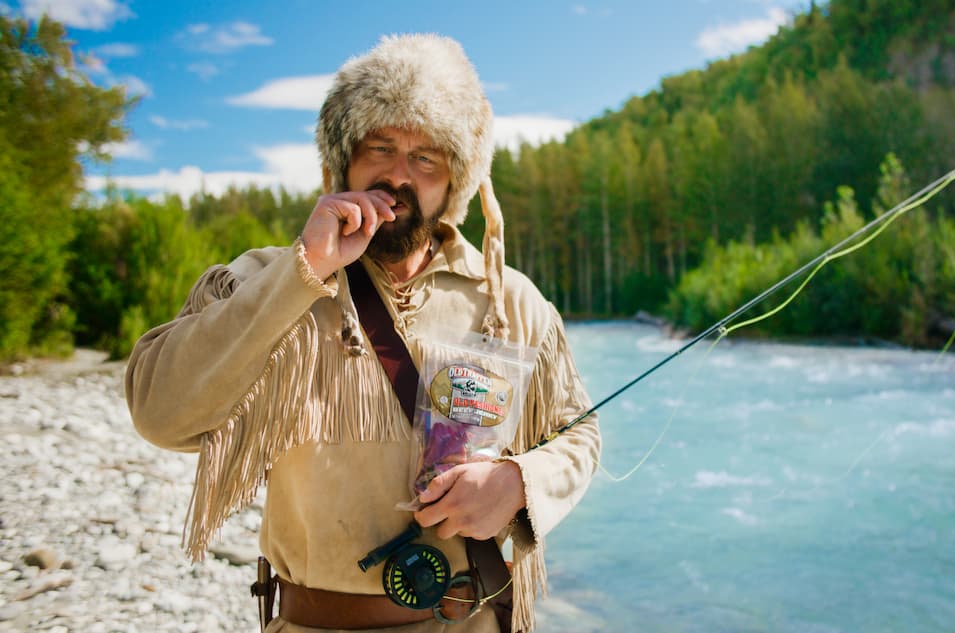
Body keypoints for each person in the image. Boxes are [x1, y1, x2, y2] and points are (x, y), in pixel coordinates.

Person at [125, 34, 600, 633]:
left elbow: (577, 435)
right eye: (381, 146)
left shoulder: (511, 298)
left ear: (453, 181)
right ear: (343, 157)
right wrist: (304, 273)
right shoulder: (264, 280)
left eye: (427, 157)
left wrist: (520, 483)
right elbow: (159, 413)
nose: (399, 175)